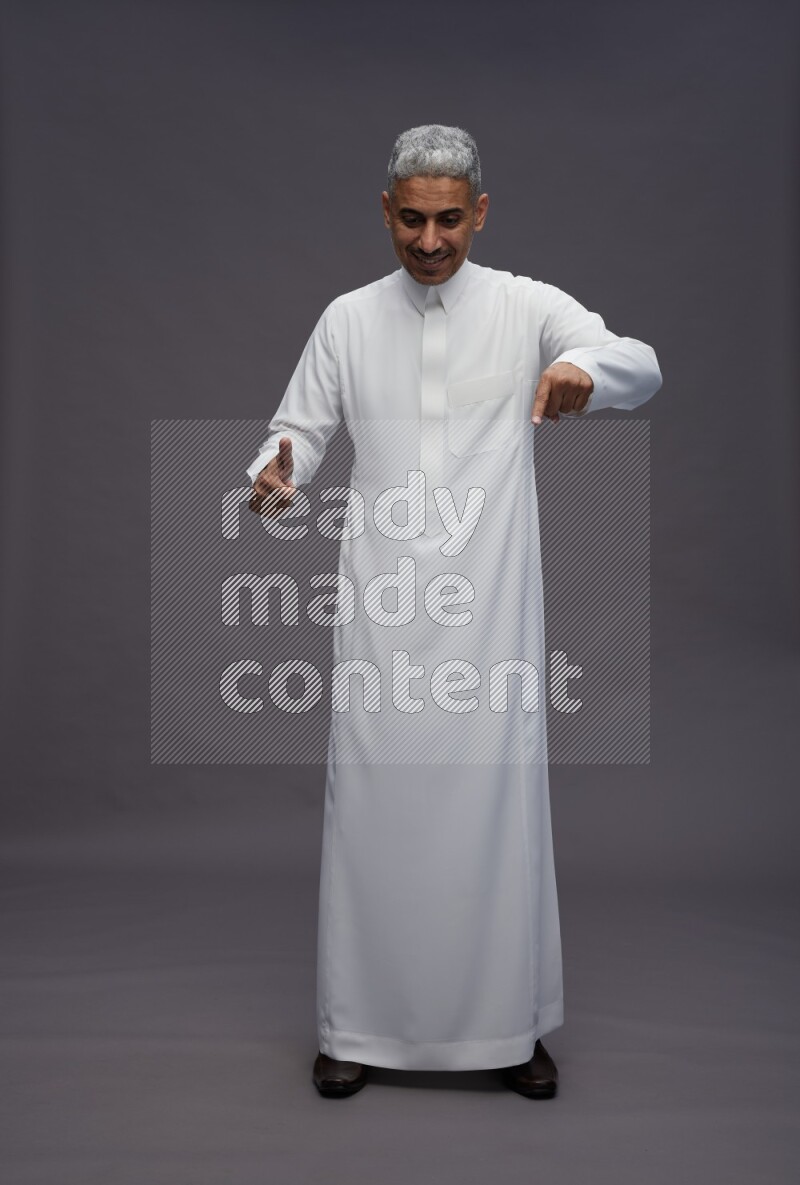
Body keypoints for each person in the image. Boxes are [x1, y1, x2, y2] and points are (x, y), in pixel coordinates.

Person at [246, 125, 662, 1099]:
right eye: (409, 219)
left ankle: (506, 1033)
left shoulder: (523, 307)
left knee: (494, 813)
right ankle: (353, 1030)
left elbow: (633, 358)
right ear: (384, 212)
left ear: (477, 213)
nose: (428, 241)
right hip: (384, 608)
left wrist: (583, 375)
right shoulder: (348, 318)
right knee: (373, 817)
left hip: (490, 611)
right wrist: (275, 475)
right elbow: (294, 431)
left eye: (446, 220)